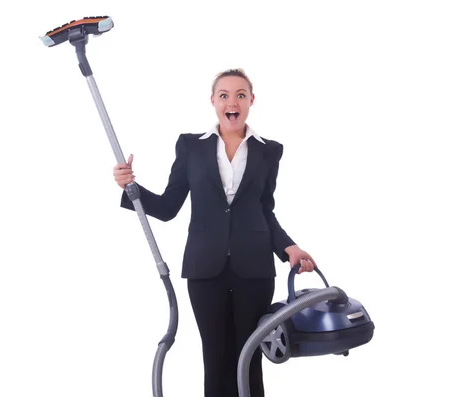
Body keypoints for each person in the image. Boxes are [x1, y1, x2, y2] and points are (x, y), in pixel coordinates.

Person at [113, 68, 317, 397]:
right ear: (213, 101)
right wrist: (130, 187)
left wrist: (288, 247)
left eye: (240, 95)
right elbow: (168, 207)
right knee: (216, 357)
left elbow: (265, 210)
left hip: (255, 268)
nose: (232, 101)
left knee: (249, 355)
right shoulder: (191, 147)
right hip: (204, 268)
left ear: (251, 101)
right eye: (224, 95)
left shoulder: (270, 151)